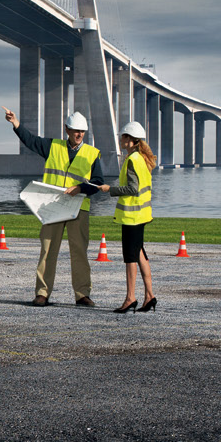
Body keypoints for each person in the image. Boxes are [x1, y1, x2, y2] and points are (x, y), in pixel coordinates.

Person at [5, 105, 97, 307]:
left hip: (77, 207)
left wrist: (80, 188)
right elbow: (31, 141)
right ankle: (42, 293)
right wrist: (16, 124)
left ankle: (82, 294)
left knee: (79, 252)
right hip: (53, 207)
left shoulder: (92, 154)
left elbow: (97, 182)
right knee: (47, 250)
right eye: (75, 131)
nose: (79, 134)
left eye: (82, 131)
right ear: (67, 131)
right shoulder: (52, 146)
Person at [90, 120, 157, 312]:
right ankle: (149, 296)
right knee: (140, 253)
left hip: (132, 217)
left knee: (130, 257)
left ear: (129, 139)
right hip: (142, 215)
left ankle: (130, 298)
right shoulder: (142, 159)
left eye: (123, 136)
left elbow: (132, 189)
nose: (120, 139)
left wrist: (109, 189)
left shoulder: (132, 160)